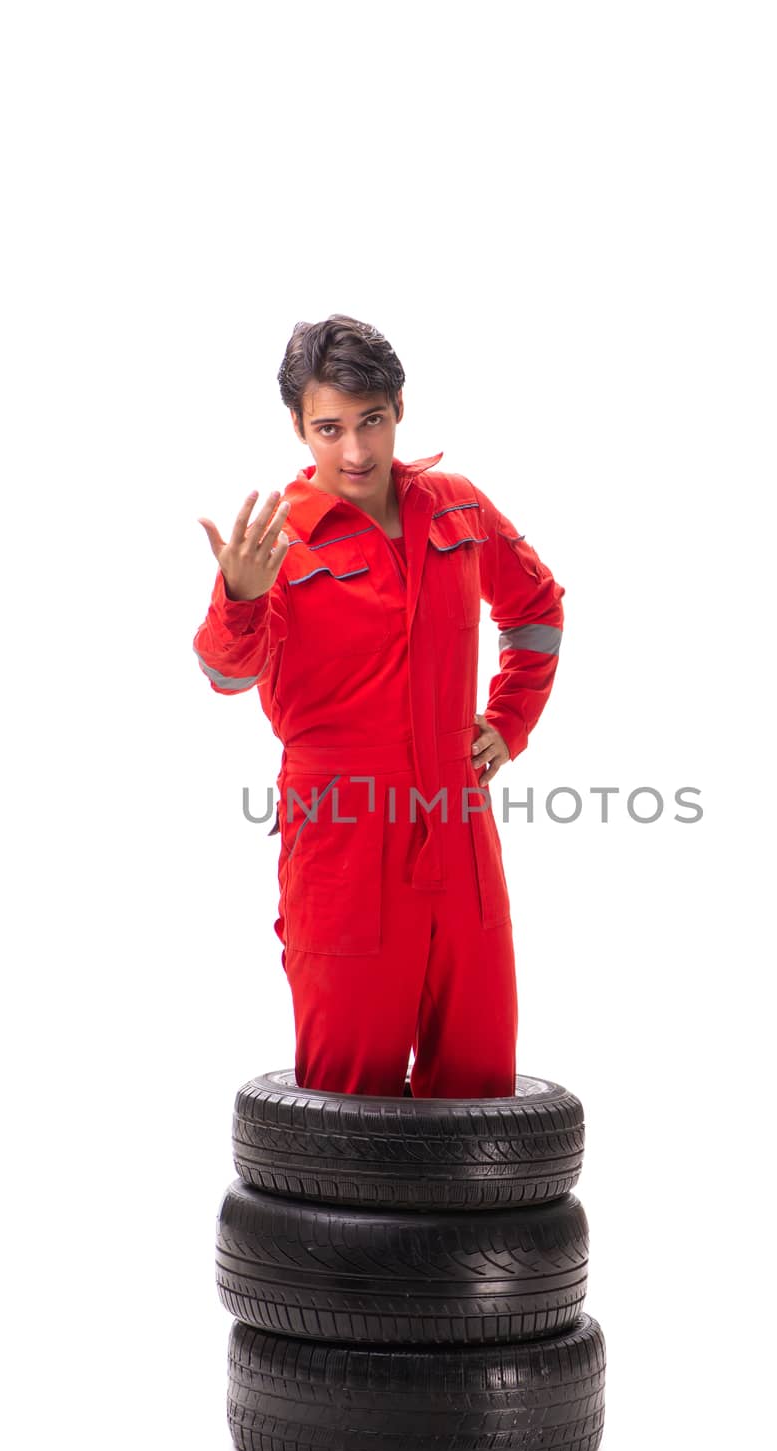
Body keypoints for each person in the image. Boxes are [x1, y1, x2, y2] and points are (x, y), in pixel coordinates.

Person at [193, 313, 565, 1098]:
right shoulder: (279, 543)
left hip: (458, 823)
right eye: (328, 429)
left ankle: (483, 1227)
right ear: (298, 427)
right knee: (347, 1092)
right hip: (343, 840)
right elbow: (226, 676)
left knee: (480, 1081)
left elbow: (535, 608)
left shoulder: (456, 508)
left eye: (371, 422)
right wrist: (240, 596)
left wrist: (508, 722)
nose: (355, 451)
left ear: (400, 408)